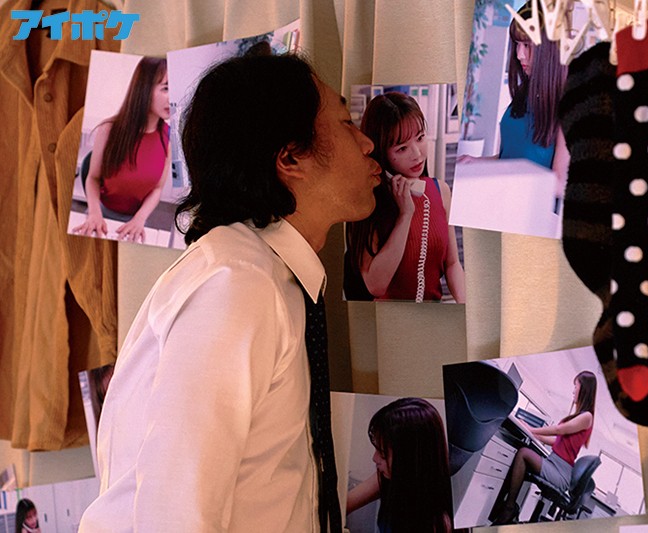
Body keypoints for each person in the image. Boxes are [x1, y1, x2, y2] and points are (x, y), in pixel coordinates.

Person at [78, 53, 382, 532]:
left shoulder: (264, 275)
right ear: (290, 158)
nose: (367, 142)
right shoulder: (237, 285)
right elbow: (175, 517)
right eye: (346, 123)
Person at [344, 92, 466, 303]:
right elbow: (375, 285)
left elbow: (452, 264)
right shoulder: (369, 201)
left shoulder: (441, 190)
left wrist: (467, 307)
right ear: (381, 153)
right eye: (402, 148)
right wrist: (405, 214)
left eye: (420, 138)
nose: (417, 154)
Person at [458, 4, 569, 211]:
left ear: (549, 50)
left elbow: (561, 184)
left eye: (527, 45)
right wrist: (475, 162)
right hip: (503, 203)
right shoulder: (525, 95)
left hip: (532, 215)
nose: (519, 54)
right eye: (517, 44)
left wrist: (514, 176)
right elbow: (509, 158)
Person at [72, 56, 171, 244]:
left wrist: (140, 219)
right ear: (144, 89)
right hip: (99, 213)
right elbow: (92, 178)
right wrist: (94, 213)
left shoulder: (169, 138)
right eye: (166, 88)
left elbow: (157, 188)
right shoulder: (108, 130)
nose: (173, 98)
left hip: (137, 220)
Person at [491, 370, 597, 525]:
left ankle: (509, 507)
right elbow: (557, 441)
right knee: (524, 451)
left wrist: (532, 430)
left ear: (584, 389)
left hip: (561, 473)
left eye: (576, 386)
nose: (573, 391)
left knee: (523, 453)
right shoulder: (579, 416)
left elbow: (559, 430)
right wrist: (535, 435)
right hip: (554, 463)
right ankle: (501, 506)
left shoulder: (587, 417)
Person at [346, 398, 452, 533]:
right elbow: (344, 505)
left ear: (407, 458)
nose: (375, 458)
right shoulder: (388, 476)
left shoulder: (438, 523)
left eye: (383, 453)